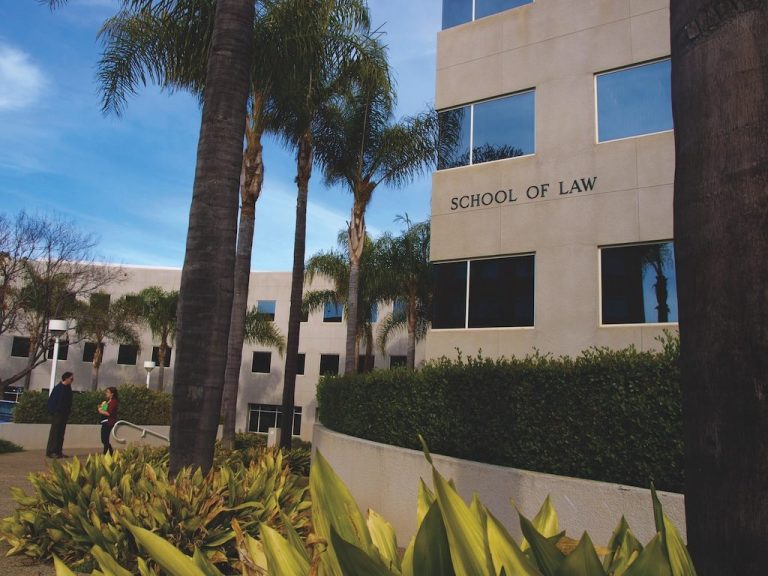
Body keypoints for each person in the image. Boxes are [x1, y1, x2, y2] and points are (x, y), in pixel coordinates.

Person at [46, 371, 74, 459]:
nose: (72, 380)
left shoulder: (68, 388)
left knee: (61, 434)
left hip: (64, 414)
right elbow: (52, 401)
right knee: (55, 433)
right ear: (66, 378)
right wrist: (53, 412)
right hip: (57, 414)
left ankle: (58, 451)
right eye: (71, 378)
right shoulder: (58, 388)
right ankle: (51, 451)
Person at [97, 387, 119, 455]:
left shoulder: (113, 402)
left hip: (108, 422)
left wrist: (100, 410)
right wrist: (101, 407)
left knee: (105, 439)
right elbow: (105, 409)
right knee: (104, 439)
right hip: (105, 421)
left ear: (112, 394)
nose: (106, 393)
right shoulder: (108, 401)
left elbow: (109, 413)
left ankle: (106, 453)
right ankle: (110, 452)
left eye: (108, 392)